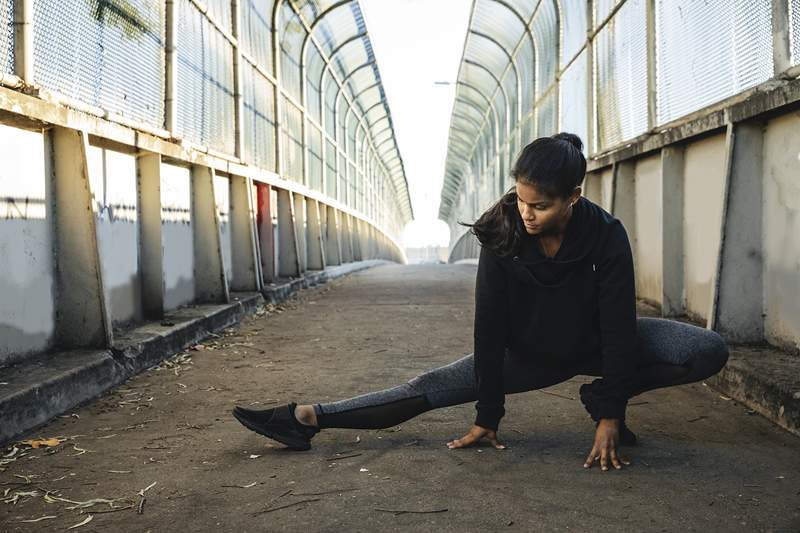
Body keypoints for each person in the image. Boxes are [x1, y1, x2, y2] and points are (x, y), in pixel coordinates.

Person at [232, 132, 729, 472]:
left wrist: (611, 414)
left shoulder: (605, 234)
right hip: (528, 354)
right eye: (520, 199)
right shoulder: (502, 230)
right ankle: (306, 418)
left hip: (597, 343)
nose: (527, 214)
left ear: (573, 197)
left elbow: (620, 326)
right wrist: (488, 416)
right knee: (427, 388)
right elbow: (489, 328)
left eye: (541, 205)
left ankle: (597, 395)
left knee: (706, 350)